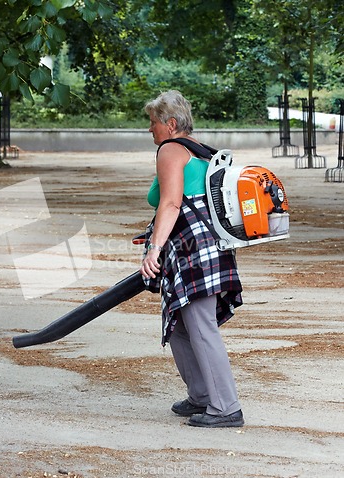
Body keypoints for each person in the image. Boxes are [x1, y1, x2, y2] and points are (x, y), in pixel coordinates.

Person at [140, 90, 244, 428]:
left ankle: (226, 407)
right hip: (209, 245)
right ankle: (201, 394)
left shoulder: (171, 150)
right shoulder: (200, 149)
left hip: (191, 250)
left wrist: (154, 250)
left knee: (201, 327)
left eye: (153, 123)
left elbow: (170, 203)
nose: (150, 130)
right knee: (183, 326)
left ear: (170, 124)